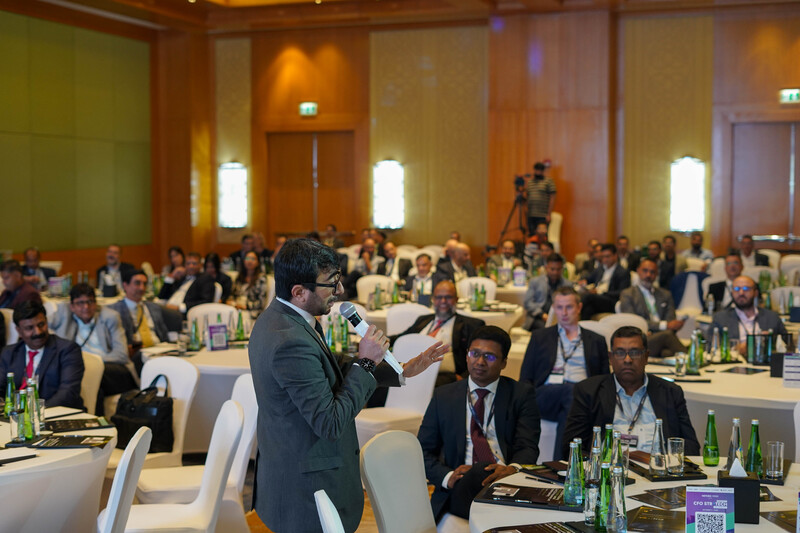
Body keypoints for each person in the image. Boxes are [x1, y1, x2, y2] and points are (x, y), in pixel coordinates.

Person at [248, 238, 448, 533]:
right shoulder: (289, 340)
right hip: (306, 489)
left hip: (292, 471)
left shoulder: (281, 317)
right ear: (299, 292)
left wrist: (401, 369)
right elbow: (329, 422)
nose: (340, 290)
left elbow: (329, 368)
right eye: (331, 283)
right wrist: (366, 362)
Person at [417, 325, 541, 521]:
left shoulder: (521, 395)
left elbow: (528, 446)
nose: (480, 362)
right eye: (475, 354)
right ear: (467, 355)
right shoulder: (444, 396)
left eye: (489, 357)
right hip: (460, 485)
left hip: (505, 481)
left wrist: (512, 469)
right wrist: (449, 477)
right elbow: (422, 450)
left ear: (504, 362)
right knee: (478, 472)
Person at [563, 326, 700, 457]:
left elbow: (691, 447)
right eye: (620, 353)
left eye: (634, 352)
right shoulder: (589, 391)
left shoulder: (670, 392)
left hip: (658, 470)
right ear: (611, 358)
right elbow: (571, 448)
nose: (627, 360)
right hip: (608, 470)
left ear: (646, 357)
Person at [519, 287, 608, 459]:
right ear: (554, 308)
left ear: (579, 307)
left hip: (580, 398)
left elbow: (604, 380)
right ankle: (567, 460)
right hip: (545, 395)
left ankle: (560, 464)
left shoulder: (596, 340)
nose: (564, 313)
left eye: (569, 307)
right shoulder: (540, 337)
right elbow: (526, 376)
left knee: (570, 407)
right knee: (572, 391)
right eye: (559, 307)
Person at [50, 283, 135, 414]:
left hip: (113, 369)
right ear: (72, 306)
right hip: (83, 372)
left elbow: (121, 355)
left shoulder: (110, 317)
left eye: (90, 302)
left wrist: (93, 362)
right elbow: (42, 327)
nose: (86, 307)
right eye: (80, 303)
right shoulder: (65, 314)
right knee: (94, 388)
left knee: (90, 375)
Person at [391, 281, 485, 385]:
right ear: (433, 299)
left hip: (443, 377)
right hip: (411, 370)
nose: (443, 301)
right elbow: (401, 338)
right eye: (439, 297)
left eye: (448, 297)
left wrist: (464, 378)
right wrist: (382, 339)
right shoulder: (423, 320)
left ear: (456, 299)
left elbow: (478, 356)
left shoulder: (470, 325)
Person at [0, 300, 84, 409]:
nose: (38, 332)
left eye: (41, 324)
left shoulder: (68, 350)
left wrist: (36, 413)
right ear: (19, 331)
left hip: (56, 413)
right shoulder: (9, 353)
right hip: (19, 415)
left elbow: (68, 393)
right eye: (29, 328)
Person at [619, 258, 687, 358]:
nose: (648, 275)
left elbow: (671, 321)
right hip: (642, 339)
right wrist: (664, 325)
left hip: (661, 338)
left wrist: (667, 326)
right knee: (667, 335)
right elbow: (633, 323)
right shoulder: (628, 294)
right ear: (638, 271)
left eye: (652, 272)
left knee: (666, 353)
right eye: (645, 271)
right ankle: (692, 360)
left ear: (657, 274)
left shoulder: (665, 294)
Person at [108, 269, 170, 375]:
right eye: (137, 283)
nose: (142, 288)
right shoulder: (113, 311)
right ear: (125, 285)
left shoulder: (153, 307)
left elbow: (164, 335)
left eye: (144, 284)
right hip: (136, 355)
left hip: (160, 350)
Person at [712, 275, 788, 354]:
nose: (741, 293)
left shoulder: (772, 317)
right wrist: (748, 345)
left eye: (746, 289)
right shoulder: (720, 318)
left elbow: (787, 346)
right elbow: (713, 348)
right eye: (737, 289)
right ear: (732, 293)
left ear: (755, 293)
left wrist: (771, 341)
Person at [579, 243, 631, 319]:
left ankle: (576, 308)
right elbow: (590, 279)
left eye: (607, 256)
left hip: (611, 300)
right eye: (603, 257)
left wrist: (600, 292)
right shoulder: (601, 268)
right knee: (588, 309)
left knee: (589, 296)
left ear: (615, 255)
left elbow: (622, 292)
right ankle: (582, 325)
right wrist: (584, 281)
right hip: (597, 299)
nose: (605, 259)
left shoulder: (623, 272)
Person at [523, 253, 572, 330]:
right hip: (537, 317)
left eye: (558, 269)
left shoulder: (567, 284)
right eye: (552, 269)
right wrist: (542, 314)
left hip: (561, 318)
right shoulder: (535, 282)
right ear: (546, 268)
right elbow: (528, 302)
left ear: (562, 269)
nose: (555, 272)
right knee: (547, 329)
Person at [228, 250, 268, 319]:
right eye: (247, 258)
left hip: (251, 311)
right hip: (236, 308)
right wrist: (232, 303)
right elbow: (232, 294)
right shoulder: (239, 277)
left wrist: (245, 306)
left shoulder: (261, 279)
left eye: (253, 259)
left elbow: (261, 303)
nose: (249, 261)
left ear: (258, 263)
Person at [525, 161, 556, 235]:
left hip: (543, 215)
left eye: (540, 170)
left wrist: (549, 214)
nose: (538, 172)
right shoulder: (530, 182)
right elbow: (527, 197)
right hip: (531, 214)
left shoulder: (548, 181)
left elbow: (552, 198)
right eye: (537, 170)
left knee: (542, 236)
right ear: (534, 170)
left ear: (543, 171)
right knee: (532, 236)